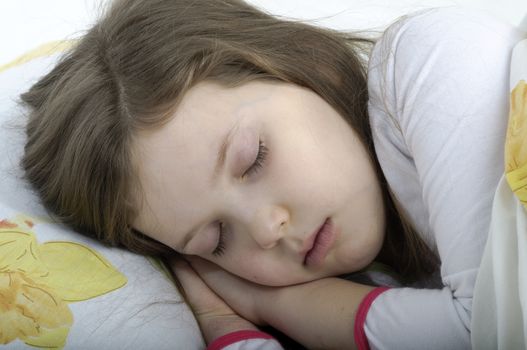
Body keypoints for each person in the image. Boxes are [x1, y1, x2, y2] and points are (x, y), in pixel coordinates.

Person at [19, 0, 524, 348]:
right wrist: (220, 319)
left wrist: (273, 303)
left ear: (301, 69)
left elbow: (491, 330)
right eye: (216, 241)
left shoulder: (427, 59)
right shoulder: (386, 283)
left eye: (252, 159)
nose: (264, 230)